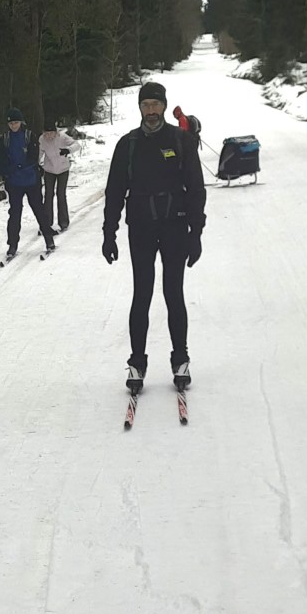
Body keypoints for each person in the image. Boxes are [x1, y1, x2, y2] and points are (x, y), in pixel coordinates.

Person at [102, 81, 206, 392]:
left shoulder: (181, 140)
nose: (151, 111)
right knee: (142, 294)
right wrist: (109, 233)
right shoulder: (128, 145)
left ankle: (180, 359)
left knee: (173, 293)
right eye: (146, 105)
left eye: (156, 105)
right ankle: (137, 362)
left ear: (164, 107)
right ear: (140, 108)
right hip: (142, 227)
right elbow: (114, 192)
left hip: (175, 225)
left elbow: (196, 188)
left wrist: (196, 232)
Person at [0, 107, 55, 261]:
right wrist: (6, 173)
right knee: (15, 213)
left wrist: (20, 166)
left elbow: (33, 157)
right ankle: (12, 245)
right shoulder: (4, 139)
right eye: (11, 123)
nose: (13, 125)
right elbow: (1, 160)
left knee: (38, 209)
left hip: (31, 180)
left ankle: (48, 239)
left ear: (21, 122)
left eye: (16, 122)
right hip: (14, 182)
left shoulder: (29, 136)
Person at [38, 121, 79, 233]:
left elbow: (76, 145)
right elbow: (39, 153)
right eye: (46, 133)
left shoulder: (62, 137)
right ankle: (46, 223)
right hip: (49, 170)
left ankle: (63, 222)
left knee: (61, 194)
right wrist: (36, 165)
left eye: (51, 133)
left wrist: (68, 150)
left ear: (55, 132)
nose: (49, 136)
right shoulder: (42, 139)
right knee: (48, 195)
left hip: (63, 169)